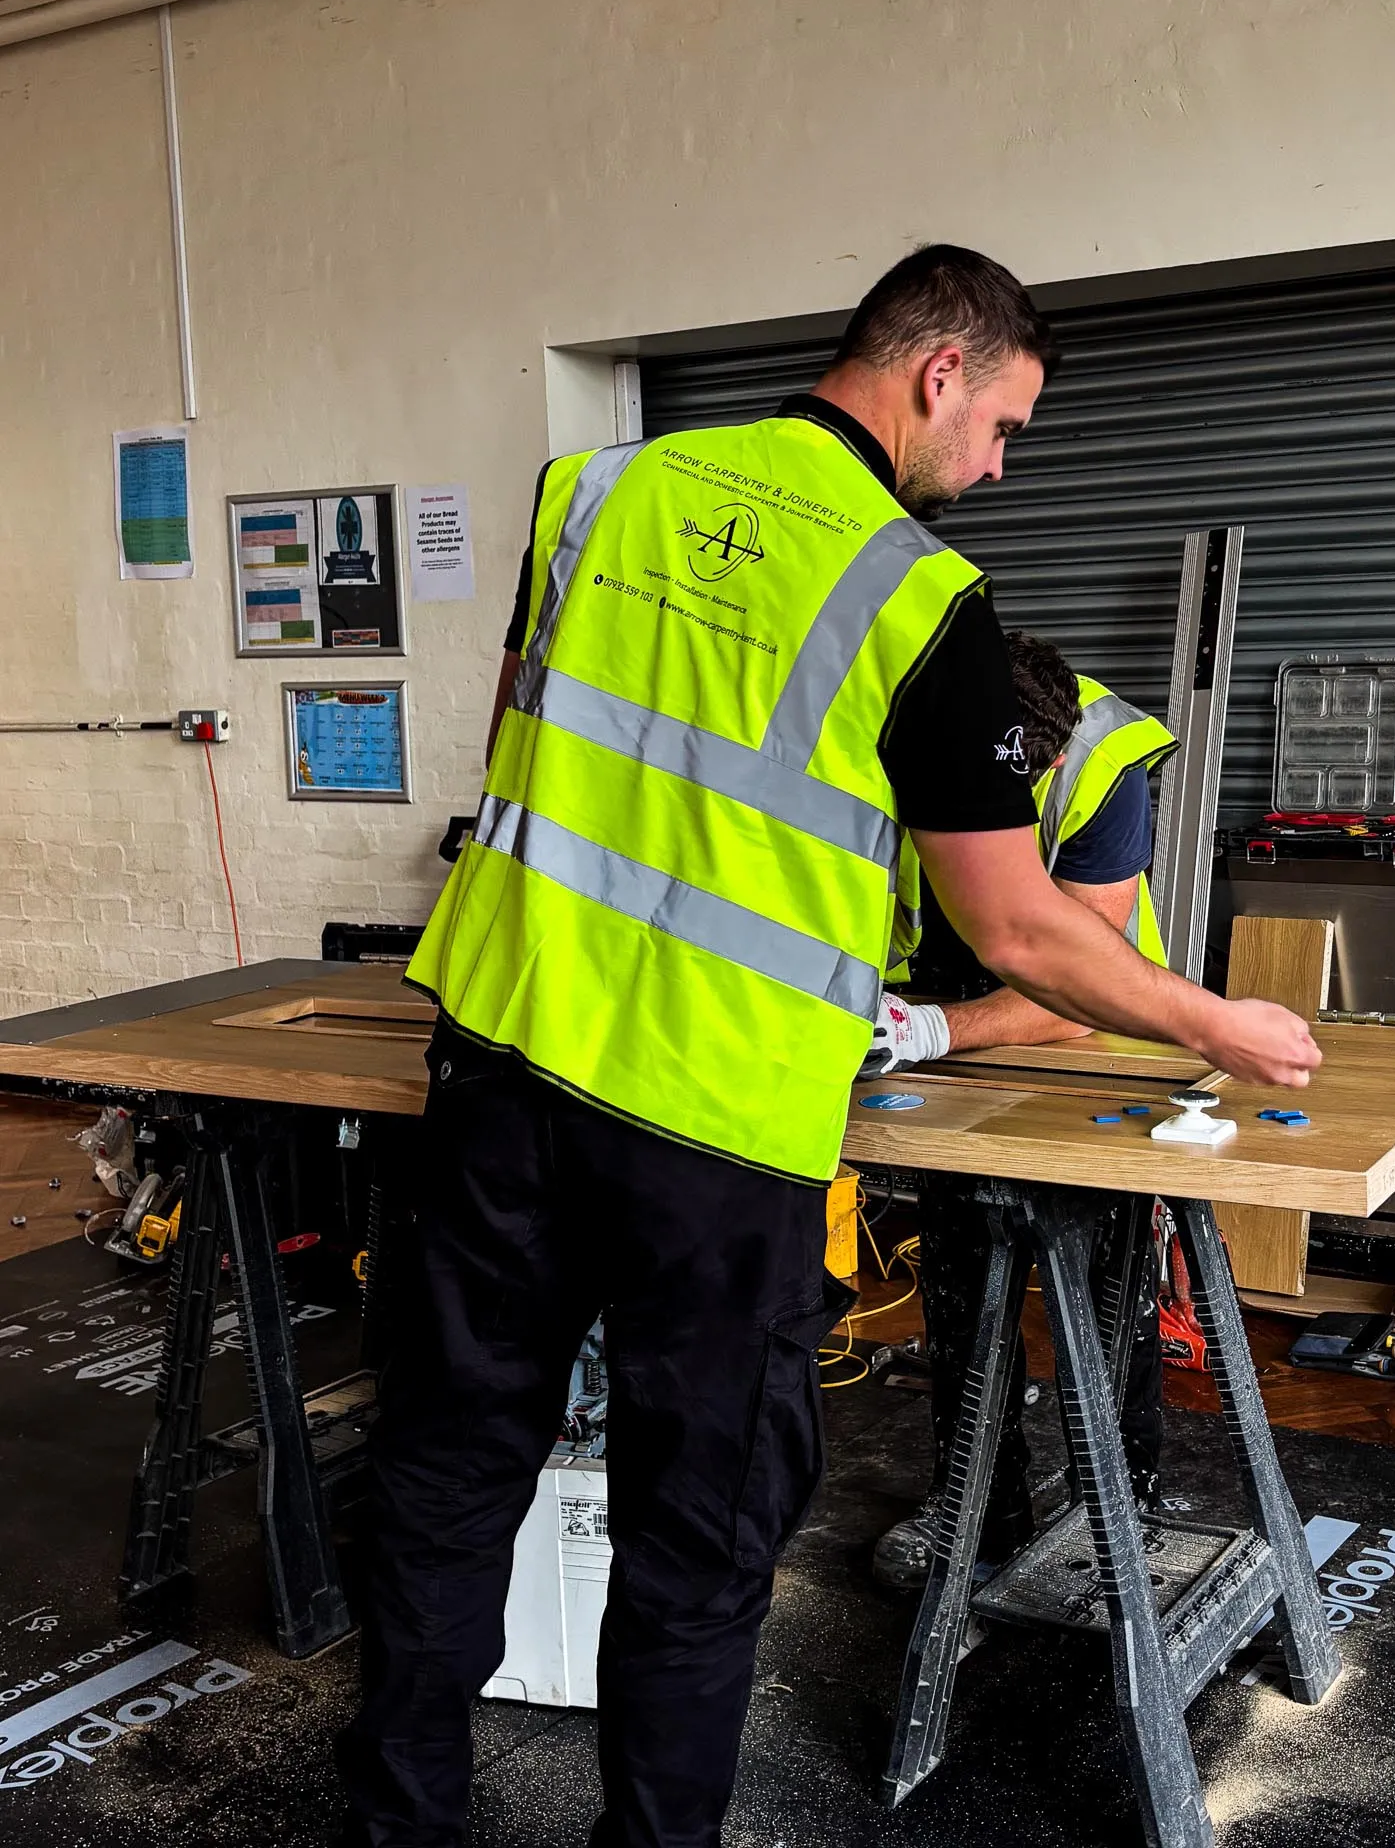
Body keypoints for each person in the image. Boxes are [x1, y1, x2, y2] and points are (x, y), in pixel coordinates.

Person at [338, 244, 1319, 1848]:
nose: (998, 464)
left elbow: (545, 727)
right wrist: (1218, 1022)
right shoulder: (918, 597)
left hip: (505, 1071)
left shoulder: (591, 491)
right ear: (939, 373)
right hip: (716, 1133)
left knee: (447, 1477)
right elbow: (1021, 929)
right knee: (699, 1540)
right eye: (1003, 423)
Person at [867, 632, 1178, 1589]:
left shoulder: (1098, 767)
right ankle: (978, 1509)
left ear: (1042, 759)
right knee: (964, 1273)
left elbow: (1081, 985)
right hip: (938, 995)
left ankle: (1125, 1503)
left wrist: (931, 1034)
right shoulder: (904, 731)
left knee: (1110, 1276)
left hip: (1097, 1033)